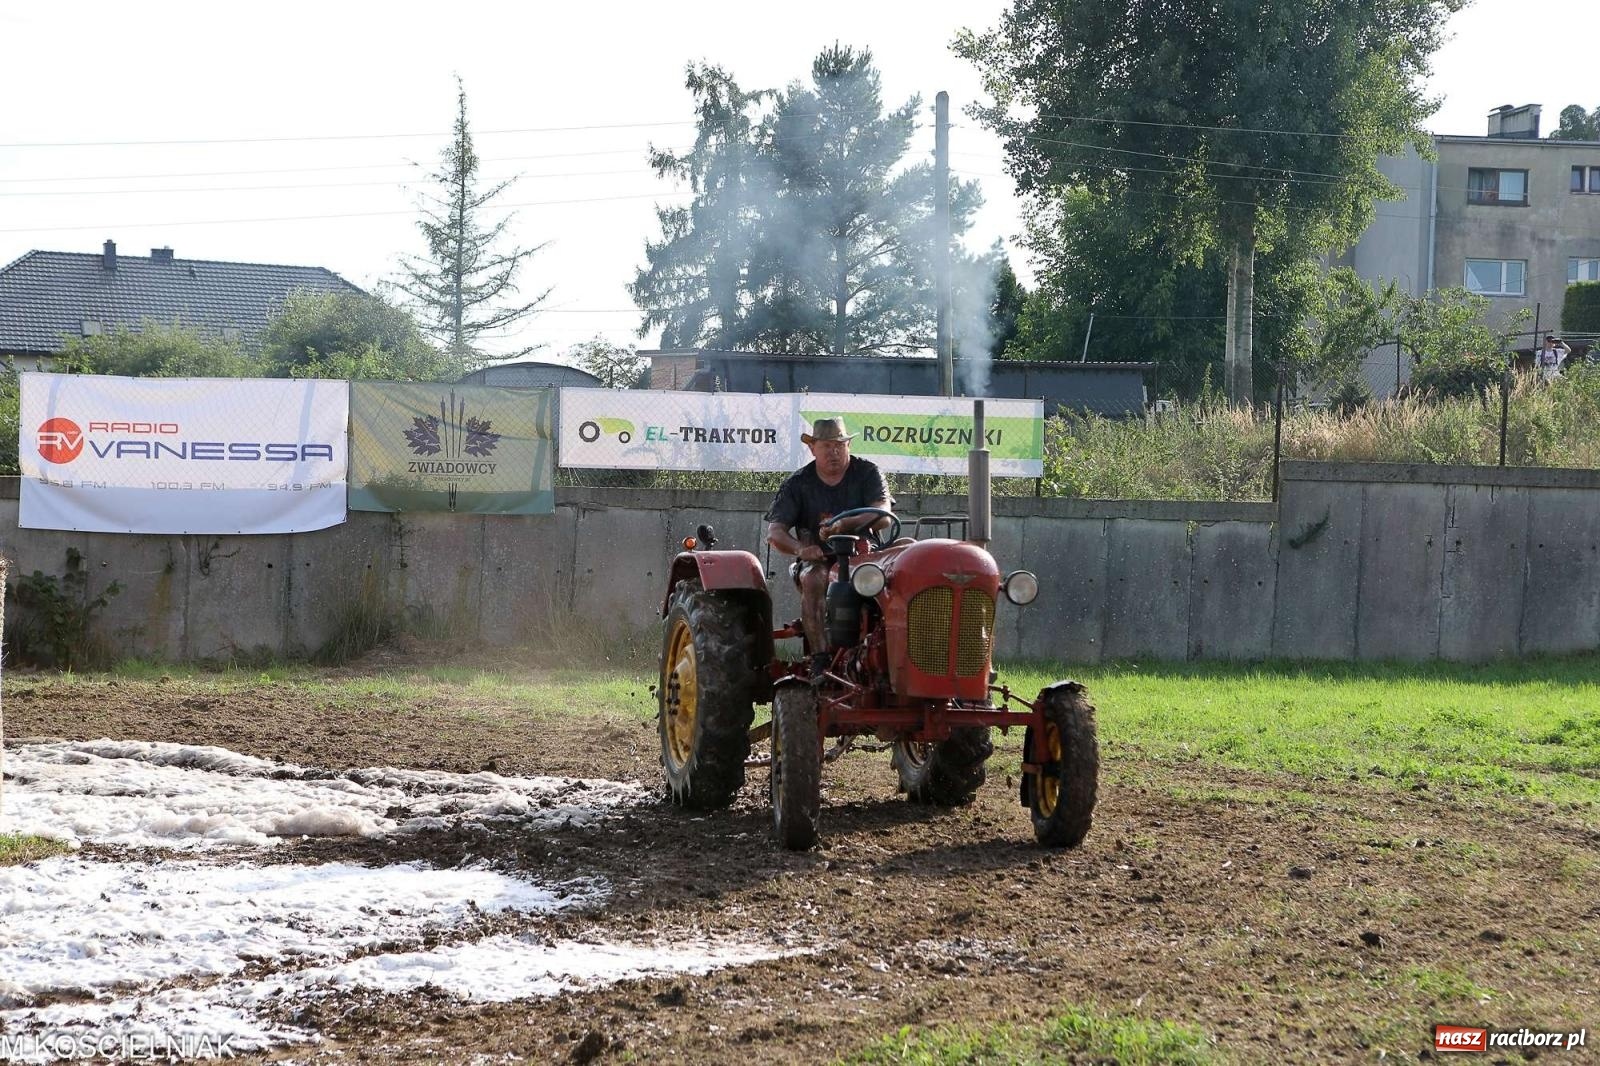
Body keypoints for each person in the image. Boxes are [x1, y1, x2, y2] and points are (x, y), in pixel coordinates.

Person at [765, 417, 891, 675]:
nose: (834, 452)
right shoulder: (798, 484)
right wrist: (802, 549)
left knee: (907, 559)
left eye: (839, 445)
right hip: (819, 560)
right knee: (814, 579)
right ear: (813, 449)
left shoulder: (867, 473)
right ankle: (821, 659)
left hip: (866, 560)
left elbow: (884, 515)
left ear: (848, 446)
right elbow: (775, 533)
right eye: (826, 446)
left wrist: (846, 524)